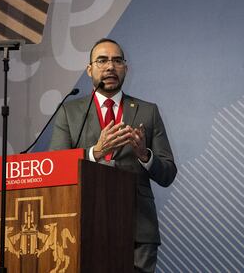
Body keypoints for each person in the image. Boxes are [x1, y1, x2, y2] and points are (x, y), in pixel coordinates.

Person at [49, 38, 177, 272]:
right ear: (90, 69)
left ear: (125, 68)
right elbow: (54, 168)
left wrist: (145, 155)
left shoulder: (148, 111)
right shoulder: (69, 111)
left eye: (117, 60)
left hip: (138, 229)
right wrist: (95, 152)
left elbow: (168, 173)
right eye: (102, 60)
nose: (110, 66)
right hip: (83, 226)